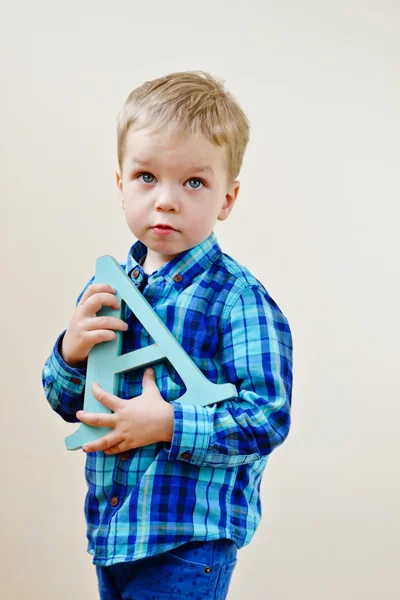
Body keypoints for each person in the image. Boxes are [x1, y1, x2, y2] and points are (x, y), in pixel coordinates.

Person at [42, 70, 293, 600]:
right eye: (147, 177)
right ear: (121, 185)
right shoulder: (107, 286)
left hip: (188, 542)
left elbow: (267, 417)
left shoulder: (238, 298)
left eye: (194, 182)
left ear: (227, 198)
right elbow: (71, 404)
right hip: (113, 532)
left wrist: (169, 424)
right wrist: (70, 351)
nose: (166, 200)